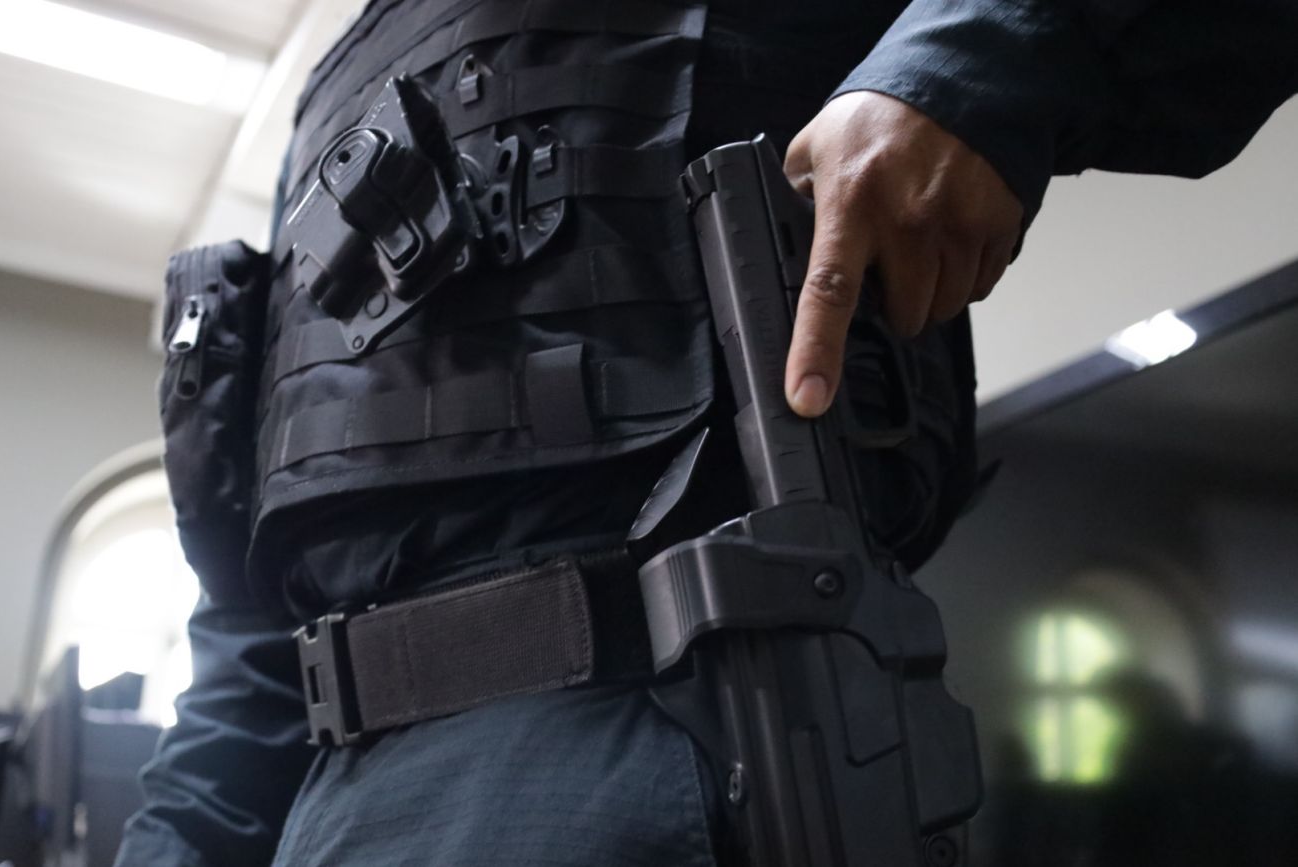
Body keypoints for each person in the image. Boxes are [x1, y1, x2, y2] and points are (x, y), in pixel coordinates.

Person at [116, 1, 1298, 865]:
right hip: (329, 813)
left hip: (689, 744)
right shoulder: (330, 102)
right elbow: (255, 650)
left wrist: (973, 60)